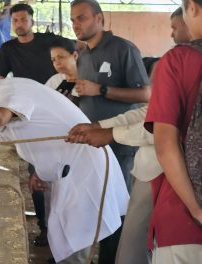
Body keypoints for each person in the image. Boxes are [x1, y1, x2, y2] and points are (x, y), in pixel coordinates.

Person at [0, 77, 129, 263]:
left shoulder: (8, 90)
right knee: (69, 238)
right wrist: (40, 171)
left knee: (78, 243)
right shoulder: (5, 101)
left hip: (85, 170)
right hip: (70, 172)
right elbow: (40, 131)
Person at [67, 7, 192, 263]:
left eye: (81, 17)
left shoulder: (166, 59)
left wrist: (110, 132)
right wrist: (99, 126)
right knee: (132, 234)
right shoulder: (84, 55)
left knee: (148, 234)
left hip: (166, 166)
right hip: (145, 163)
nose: (172, 33)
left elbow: (158, 120)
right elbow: (150, 111)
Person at [70, 1, 151, 262]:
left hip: (120, 145)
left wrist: (101, 89)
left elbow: (145, 94)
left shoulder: (123, 49)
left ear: (99, 18)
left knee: (118, 209)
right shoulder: (83, 55)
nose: (75, 24)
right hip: (92, 144)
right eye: (73, 20)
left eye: (81, 18)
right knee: (97, 206)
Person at [0, 3, 69, 246]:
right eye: (15, 21)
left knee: (64, 168)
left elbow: (75, 50)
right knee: (35, 170)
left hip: (57, 108)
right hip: (29, 114)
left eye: (23, 20)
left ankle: (66, 225)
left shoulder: (49, 41)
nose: (19, 24)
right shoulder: (8, 49)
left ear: (32, 21)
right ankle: (45, 228)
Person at [144, 0, 202, 263]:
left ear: (192, 7)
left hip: (185, 224)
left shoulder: (178, 60)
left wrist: (197, 210)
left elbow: (166, 145)